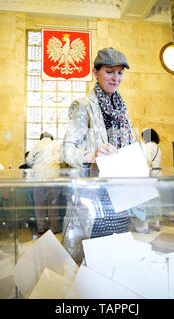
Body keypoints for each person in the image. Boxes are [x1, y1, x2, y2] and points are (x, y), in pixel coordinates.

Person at [61, 47, 135, 240]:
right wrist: (92, 156)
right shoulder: (84, 105)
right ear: (95, 73)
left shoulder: (122, 109)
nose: (115, 78)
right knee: (94, 253)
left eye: (120, 73)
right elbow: (67, 150)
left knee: (118, 251)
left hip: (120, 195)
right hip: (95, 196)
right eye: (109, 72)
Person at [26, 132, 62, 234]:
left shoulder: (36, 145)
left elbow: (29, 161)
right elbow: (62, 158)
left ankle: (41, 227)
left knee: (39, 205)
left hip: (38, 178)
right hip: (53, 178)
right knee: (53, 205)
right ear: (52, 137)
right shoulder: (57, 144)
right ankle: (54, 227)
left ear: (41, 137)